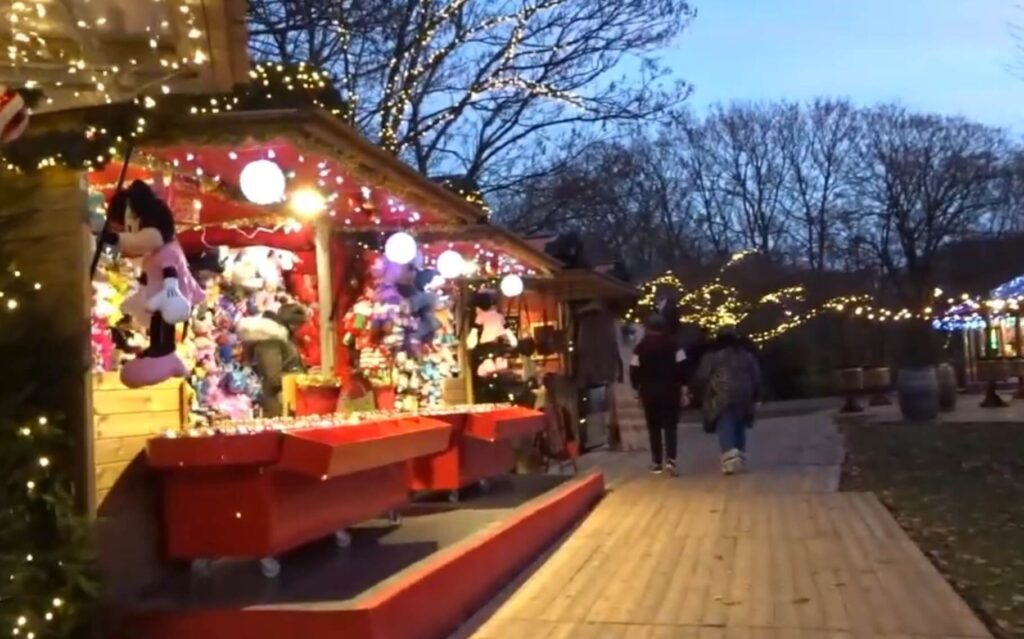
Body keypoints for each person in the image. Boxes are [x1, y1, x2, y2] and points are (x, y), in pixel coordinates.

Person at [694, 325, 762, 475]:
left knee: (725, 425)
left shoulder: (712, 356)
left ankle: (730, 460)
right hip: (744, 395)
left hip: (721, 395)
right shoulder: (746, 355)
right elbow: (756, 376)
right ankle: (740, 457)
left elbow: (702, 376)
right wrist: (756, 395)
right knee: (739, 425)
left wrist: (700, 392)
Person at [629, 313, 687, 476]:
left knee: (653, 427)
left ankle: (656, 462)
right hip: (671, 390)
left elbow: (634, 369)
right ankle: (671, 460)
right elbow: (683, 366)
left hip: (649, 392)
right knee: (670, 426)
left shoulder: (640, 348)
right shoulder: (674, 346)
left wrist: (636, 387)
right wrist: (684, 385)